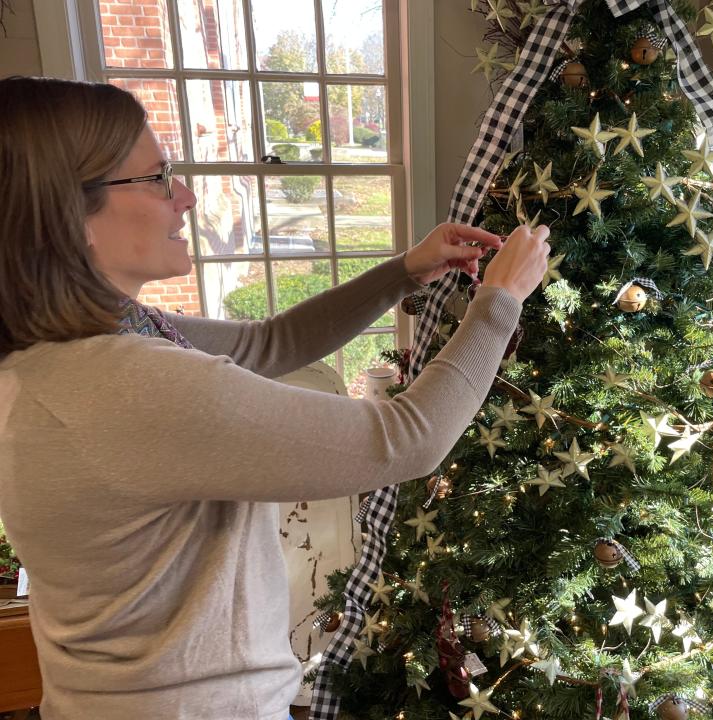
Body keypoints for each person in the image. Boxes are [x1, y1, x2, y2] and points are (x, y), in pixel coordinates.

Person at [0, 76, 549, 720]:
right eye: (155, 177)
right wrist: (499, 302)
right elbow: (406, 439)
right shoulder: (124, 384)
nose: (184, 195)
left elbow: (270, 342)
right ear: (69, 212)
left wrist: (405, 271)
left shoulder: (63, 350)